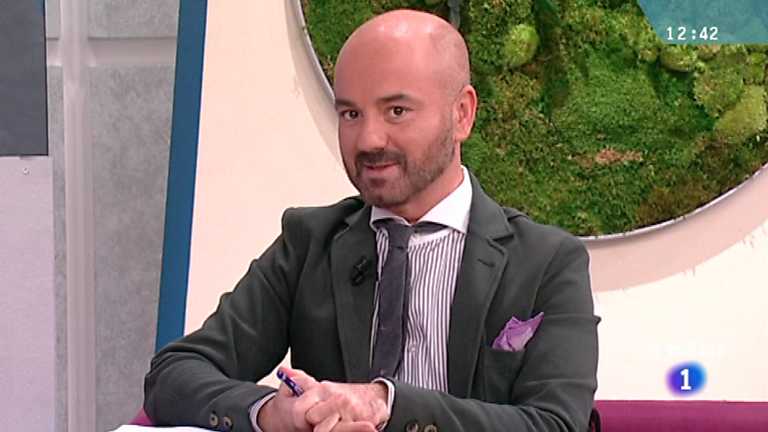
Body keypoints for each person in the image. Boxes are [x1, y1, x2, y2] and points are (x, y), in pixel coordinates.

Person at [143, 9, 599, 432]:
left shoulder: (545, 262)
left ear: (462, 114)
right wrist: (270, 413)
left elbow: (556, 423)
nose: (368, 139)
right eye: (350, 114)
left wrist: (386, 403)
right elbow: (173, 375)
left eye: (396, 111)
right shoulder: (309, 244)